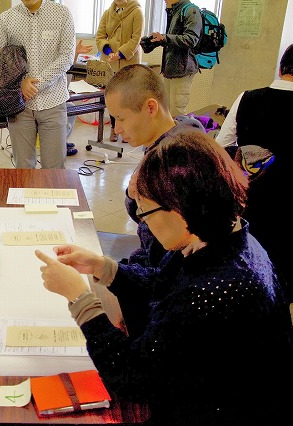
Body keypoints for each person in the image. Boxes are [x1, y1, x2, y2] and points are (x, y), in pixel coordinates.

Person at [35, 131, 293, 425]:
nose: (143, 219)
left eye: (145, 210)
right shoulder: (220, 236)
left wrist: (80, 300)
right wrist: (102, 266)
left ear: (180, 208)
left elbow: (130, 377)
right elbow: (162, 282)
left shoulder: (212, 289)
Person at [216, 42, 293, 302]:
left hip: (248, 193)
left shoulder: (246, 97)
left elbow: (222, 144)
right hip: (290, 203)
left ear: (281, 67)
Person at [105, 64, 203, 269]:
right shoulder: (172, 137)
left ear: (151, 108)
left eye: (121, 118)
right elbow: (146, 219)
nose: (117, 129)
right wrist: (134, 196)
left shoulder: (174, 158)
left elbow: (165, 244)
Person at [0, 0, 75, 169]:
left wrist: (36, 84)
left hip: (53, 102)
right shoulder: (7, 19)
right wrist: (19, 83)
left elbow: (67, 57)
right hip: (19, 106)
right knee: (24, 167)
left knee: (54, 169)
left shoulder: (62, 14)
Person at [95, 0, 144, 142]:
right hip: (110, 63)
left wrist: (120, 53)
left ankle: (128, 129)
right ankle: (114, 128)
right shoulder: (107, 13)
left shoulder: (137, 12)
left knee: (128, 98)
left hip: (128, 61)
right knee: (112, 97)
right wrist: (108, 50)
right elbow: (100, 36)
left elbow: (136, 38)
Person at [148, 0, 202, 117]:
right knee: (167, 110)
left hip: (183, 69)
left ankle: (179, 135)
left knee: (177, 112)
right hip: (170, 69)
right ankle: (170, 135)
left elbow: (191, 39)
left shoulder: (191, 11)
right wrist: (158, 40)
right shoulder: (175, 11)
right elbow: (174, 39)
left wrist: (165, 38)